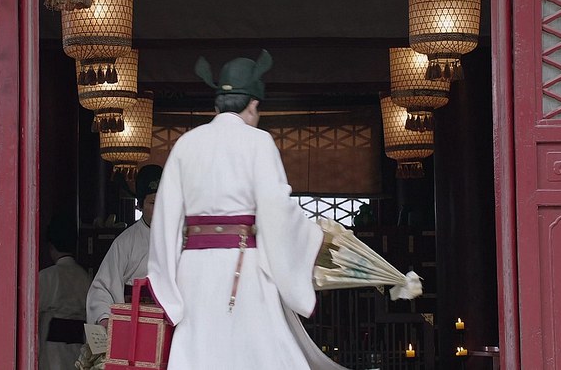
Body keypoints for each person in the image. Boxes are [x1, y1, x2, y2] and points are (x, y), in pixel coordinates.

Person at [148, 50, 346, 370]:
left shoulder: (186, 144)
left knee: (200, 351)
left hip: (194, 270)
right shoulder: (259, 141)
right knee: (260, 352)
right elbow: (277, 210)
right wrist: (313, 236)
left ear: (217, 106)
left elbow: (165, 217)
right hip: (243, 267)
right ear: (252, 105)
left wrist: (167, 283)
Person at [86, 164, 163, 327]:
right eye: (153, 203)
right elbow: (103, 287)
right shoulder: (125, 242)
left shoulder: (180, 238)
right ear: (140, 205)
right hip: (132, 322)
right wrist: (104, 317)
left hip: (170, 322)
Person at [38, 219, 92, 370]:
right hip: (78, 347)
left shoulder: (45, 277)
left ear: (51, 247)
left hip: (52, 350)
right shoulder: (85, 278)